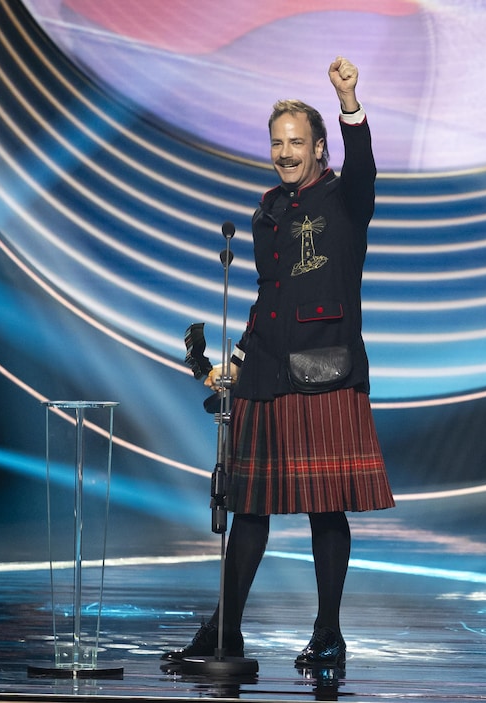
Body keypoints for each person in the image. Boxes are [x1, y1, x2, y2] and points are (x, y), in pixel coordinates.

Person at [165, 56, 395, 669]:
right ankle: (226, 632)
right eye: (277, 143)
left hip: (327, 373)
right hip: (268, 376)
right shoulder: (267, 210)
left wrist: (349, 99)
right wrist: (234, 362)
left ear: (321, 147)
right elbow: (268, 299)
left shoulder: (348, 199)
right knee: (249, 509)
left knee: (327, 508)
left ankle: (328, 633)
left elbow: (364, 162)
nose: (286, 152)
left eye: (297, 142)